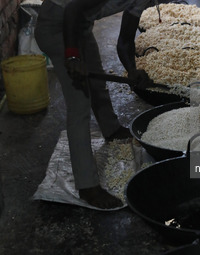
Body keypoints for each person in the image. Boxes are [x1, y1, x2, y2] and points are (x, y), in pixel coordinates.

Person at [35, 0, 153, 209]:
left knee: (96, 81)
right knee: (79, 103)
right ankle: (87, 186)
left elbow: (125, 41)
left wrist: (132, 71)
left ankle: (111, 128)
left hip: (80, 24)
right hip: (56, 24)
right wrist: (72, 56)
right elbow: (72, 8)